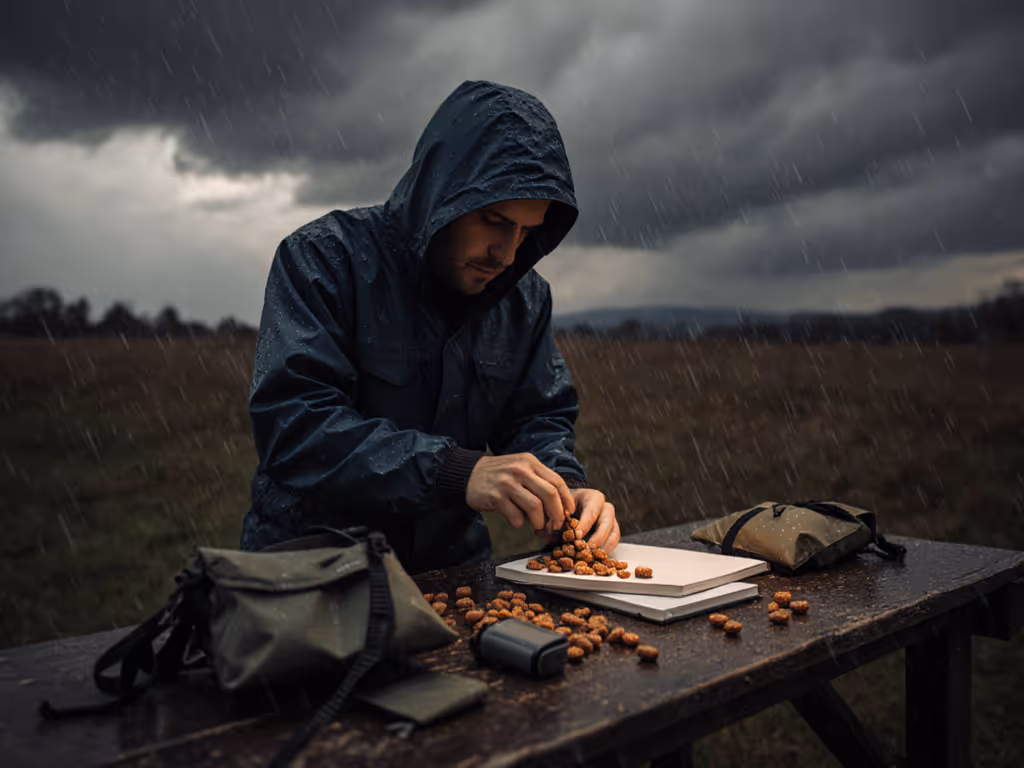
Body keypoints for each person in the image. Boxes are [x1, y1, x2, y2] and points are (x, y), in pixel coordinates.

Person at [240, 80, 620, 573]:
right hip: (314, 581)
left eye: (528, 231)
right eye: (493, 219)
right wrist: (457, 472)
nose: (506, 254)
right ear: (442, 192)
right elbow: (295, 425)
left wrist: (564, 489)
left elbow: (538, 418)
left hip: (453, 577)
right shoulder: (322, 260)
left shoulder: (525, 299)